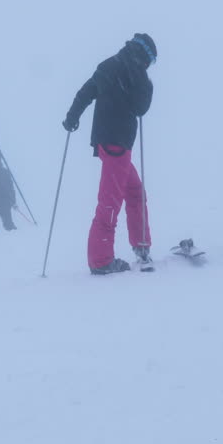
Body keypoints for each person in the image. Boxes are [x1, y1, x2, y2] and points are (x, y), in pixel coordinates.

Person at [62, 33, 157, 274]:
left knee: (135, 191)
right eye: (151, 61)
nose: (149, 66)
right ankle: (101, 260)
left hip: (111, 141)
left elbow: (86, 91)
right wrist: (143, 81)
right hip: (117, 142)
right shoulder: (131, 71)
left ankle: (141, 243)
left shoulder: (110, 64)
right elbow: (141, 107)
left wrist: (73, 116)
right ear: (145, 55)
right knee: (110, 202)